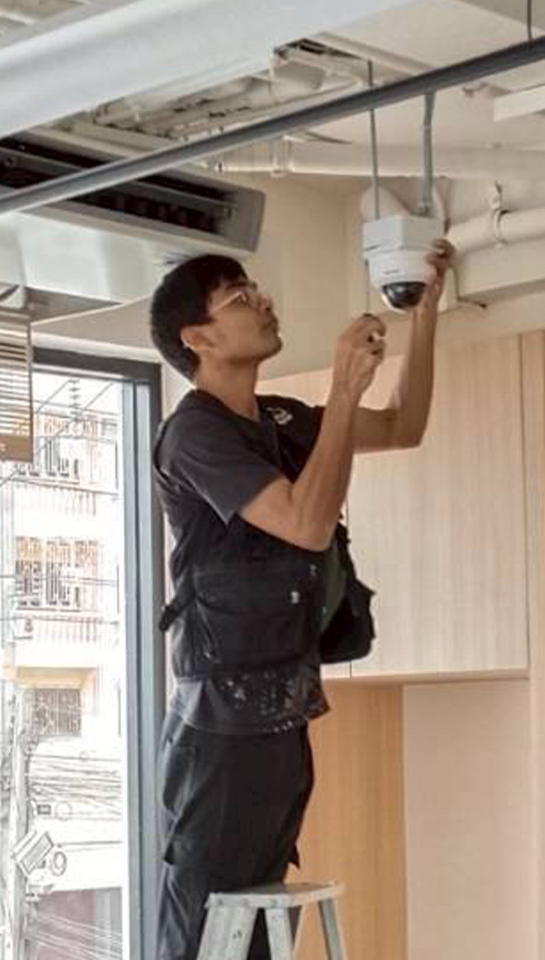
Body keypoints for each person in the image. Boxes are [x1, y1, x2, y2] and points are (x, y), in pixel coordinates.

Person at [148, 238, 453, 960]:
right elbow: (305, 524)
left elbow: (404, 426)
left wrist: (425, 313)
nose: (262, 302)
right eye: (239, 298)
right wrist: (343, 390)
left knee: (257, 926)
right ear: (198, 339)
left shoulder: (280, 421)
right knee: (206, 925)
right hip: (220, 724)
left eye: (256, 290)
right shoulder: (193, 433)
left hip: (279, 709)